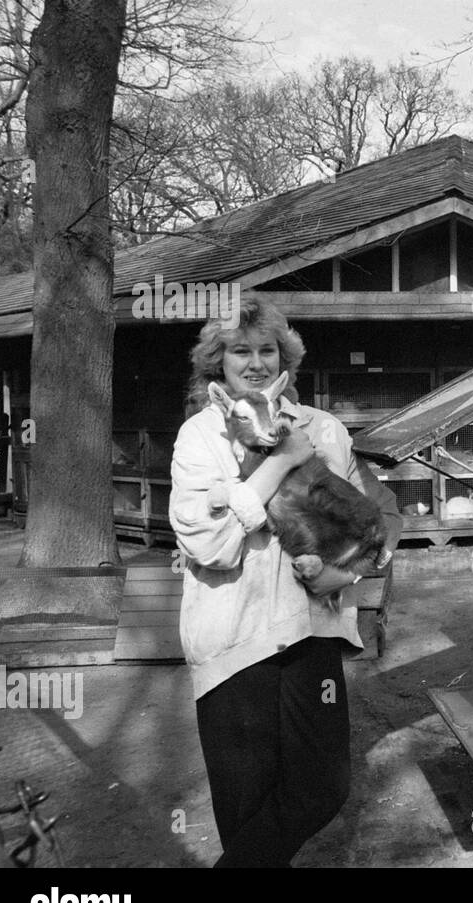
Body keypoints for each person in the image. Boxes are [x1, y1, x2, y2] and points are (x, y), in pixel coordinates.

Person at [169, 296, 401, 867]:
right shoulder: (200, 437)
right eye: (239, 351)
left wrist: (340, 575)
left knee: (324, 787)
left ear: (284, 356)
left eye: (266, 349)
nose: (255, 363)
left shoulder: (323, 429)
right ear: (216, 362)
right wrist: (282, 461)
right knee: (247, 809)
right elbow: (210, 547)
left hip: (309, 634)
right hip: (232, 641)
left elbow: (358, 530)